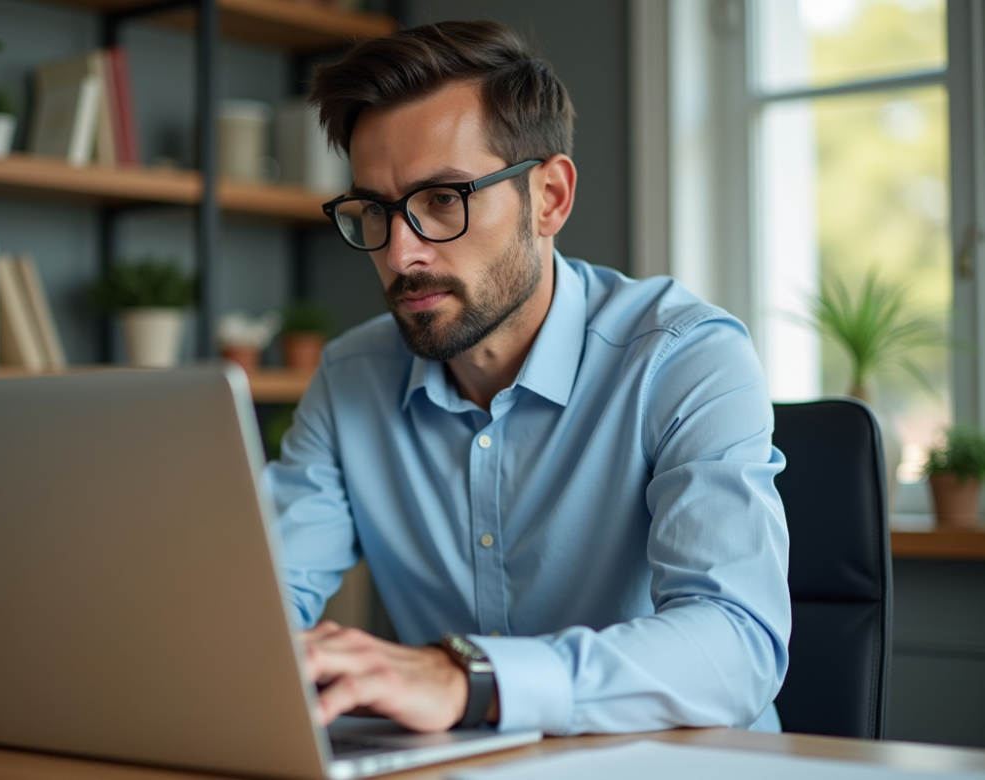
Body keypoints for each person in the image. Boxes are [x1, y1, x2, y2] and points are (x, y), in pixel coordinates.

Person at [262, 20, 790, 737]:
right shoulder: (350, 377)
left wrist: (470, 681)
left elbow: (737, 646)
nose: (400, 252)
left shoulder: (686, 356)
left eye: (443, 200)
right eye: (375, 211)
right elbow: (262, 603)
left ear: (549, 197)